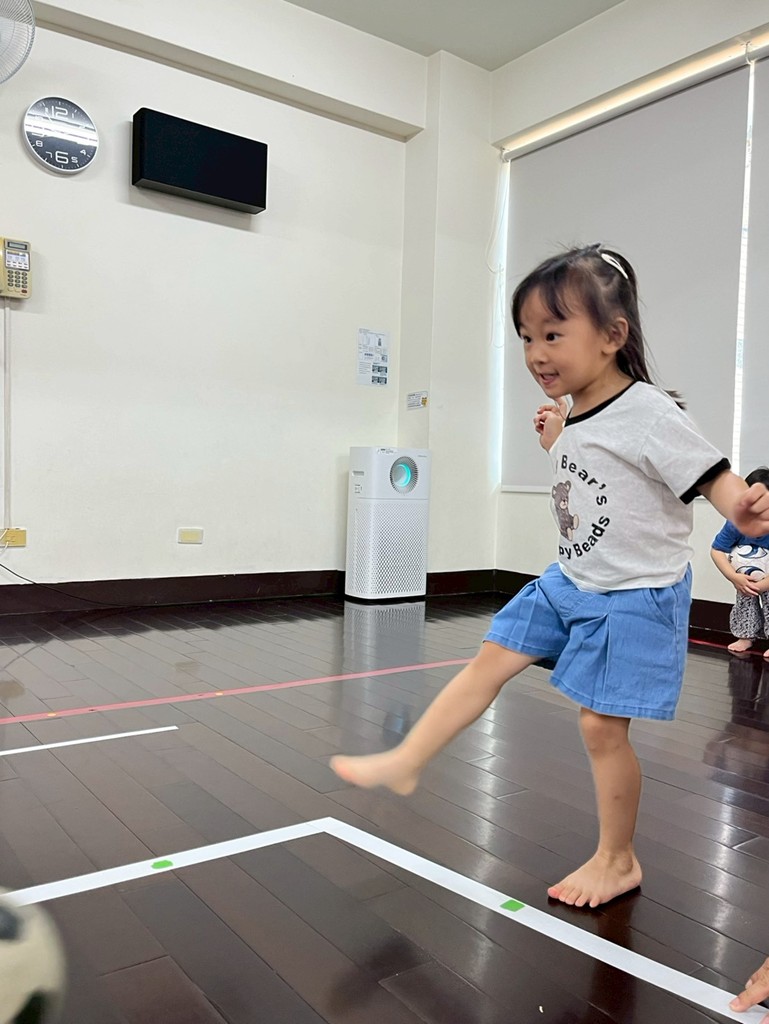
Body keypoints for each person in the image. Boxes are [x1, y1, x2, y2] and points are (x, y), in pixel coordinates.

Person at [330, 244, 769, 913]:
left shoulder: (650, 411)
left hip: (633, 593)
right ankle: (408, 759)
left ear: (612, 335)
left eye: (553, 334)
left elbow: (712, 478)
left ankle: (617, 859)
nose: (536, 353)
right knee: (488, 660)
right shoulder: (576, 409)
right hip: (570, 580)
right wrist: (554, 440)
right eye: (526, 337)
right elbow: (598, 477)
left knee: (601, 729)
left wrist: (742, 507)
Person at [710, 466, 769, 658]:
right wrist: (734, 577)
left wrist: (764, 584)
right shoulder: (736, 522)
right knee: (744, 599)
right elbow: (717, 550)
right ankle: (745, 635)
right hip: (746, 577)